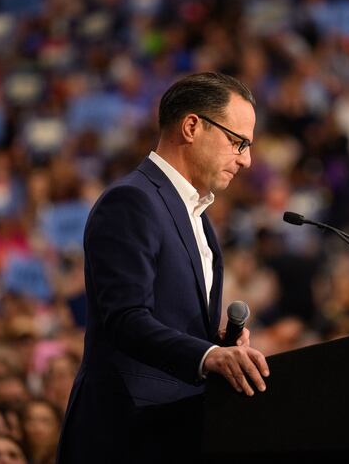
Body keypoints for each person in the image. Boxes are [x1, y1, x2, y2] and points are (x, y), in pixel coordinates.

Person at [56, 72, 270, 463]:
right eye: (237, 142)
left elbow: (169, 320)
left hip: (176, 427)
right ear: (191, 127)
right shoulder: (131, 201)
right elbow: (125, 317)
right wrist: (206, 355)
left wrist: (216, 343)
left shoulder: (198, 216)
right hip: (124, 434)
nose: (246, 159)